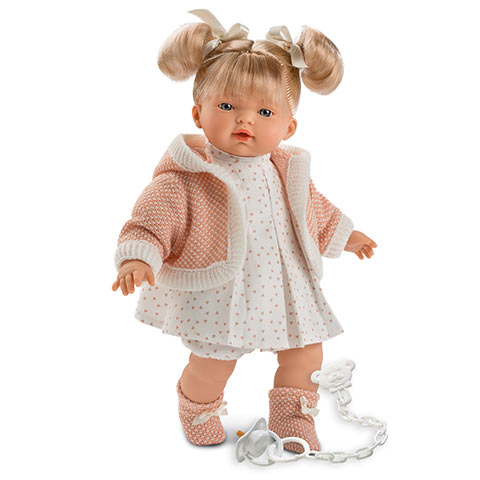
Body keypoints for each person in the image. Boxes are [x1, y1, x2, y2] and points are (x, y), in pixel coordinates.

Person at [112, 9, 377, 453]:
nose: (245, 121)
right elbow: (153, 218)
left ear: (288, 126)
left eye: (264, 111)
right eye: (227, 106)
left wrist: (345, 234)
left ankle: (293, 418)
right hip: (222, 290)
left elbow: (313, 210)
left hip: (284, 285)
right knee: (213, 361)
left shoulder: (287, 170)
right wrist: (139, 256)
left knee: (306, 355)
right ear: (198, 113)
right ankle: (197, 406)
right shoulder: (189, 176)